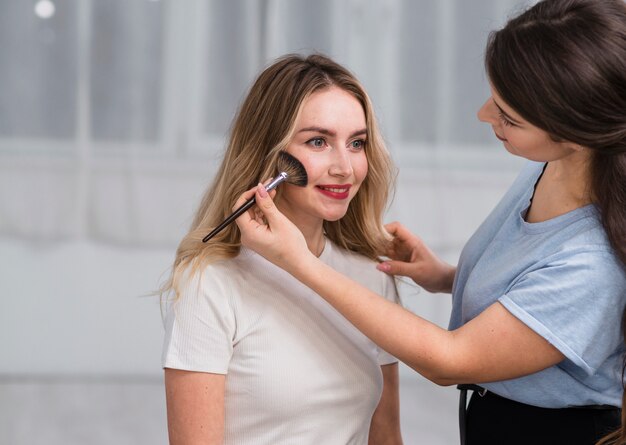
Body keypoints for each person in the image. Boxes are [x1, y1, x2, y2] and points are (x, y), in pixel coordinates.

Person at [234, 1, 626, 444]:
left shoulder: (594, 264)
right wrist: (443, 277)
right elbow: (540, 295)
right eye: (496, 99)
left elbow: (449, 360)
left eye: (508, 116)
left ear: (574, 133)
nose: (483, 115)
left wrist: (300, 263)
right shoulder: (552, 166)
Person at [160, 53, 404, 445]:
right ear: (270, 154)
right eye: (318, 141)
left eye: (357, 143)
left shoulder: (372, 277)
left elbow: (387, 436)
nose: (345, 167)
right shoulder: (210, 284)